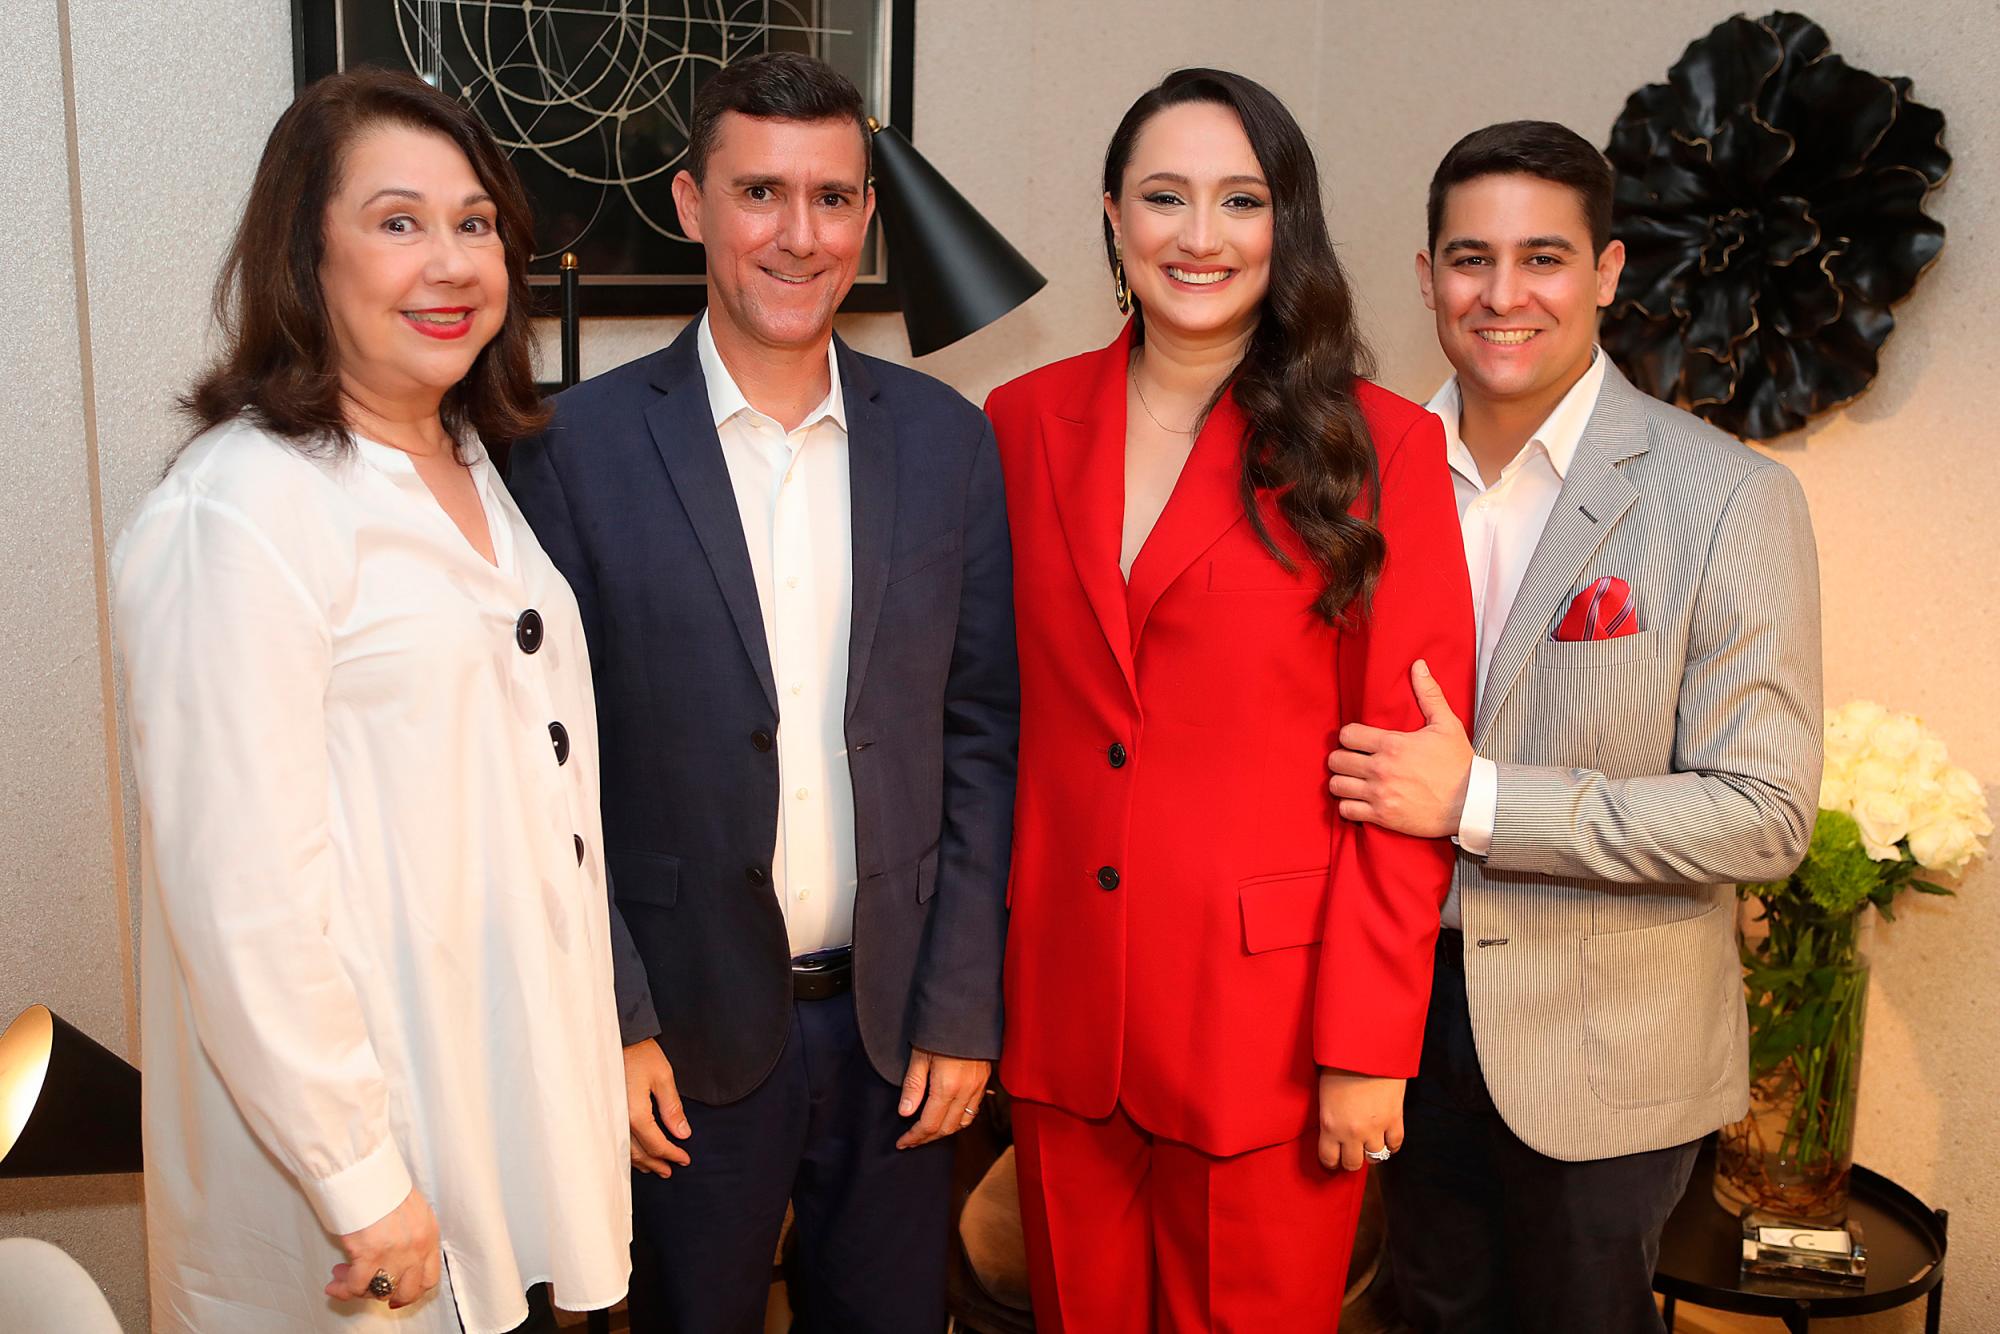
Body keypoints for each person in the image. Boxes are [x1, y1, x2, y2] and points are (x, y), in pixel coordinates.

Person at [507, 52, 1018, 1334]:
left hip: (894, 1029)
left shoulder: (948, 440)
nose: (800, 236)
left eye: (834, 198)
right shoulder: (574, 448)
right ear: (689, 204)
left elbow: (979, 735)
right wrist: (611, 1021)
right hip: (679, 1036)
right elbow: (541, 767)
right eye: (759, 193)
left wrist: (962, 1004)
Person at [113, 70, 630, 1333]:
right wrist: (361, 1177)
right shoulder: (240, 509)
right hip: (365, 1184)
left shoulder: (460, 457)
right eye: (399, 223)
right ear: (307, 255)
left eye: (475, 223)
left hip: (496, 1118)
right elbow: (243, 901)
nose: (451, 262)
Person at [984, 68, 1475, 1332]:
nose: (1197, 237)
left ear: (1284, 223)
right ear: (1110, 216)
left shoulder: (1376, 449)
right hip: (1061, 1014)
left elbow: (1404, 779)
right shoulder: (1020, 422)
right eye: (1162, 197)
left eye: (1239, 200)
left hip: (1268, 1027)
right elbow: (991, 716)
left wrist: (1368, 1042)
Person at [1326, 120, 1822, 1333]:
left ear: (1605, 271)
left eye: (1541, 259)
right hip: (1388, 1019)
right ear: (1425, 272)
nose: (1501, 296)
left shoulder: (1726, 497)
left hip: (1603, 1054)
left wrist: (1478, 801)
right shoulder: (1346, 472)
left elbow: (1763, 814)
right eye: (1468, 259)